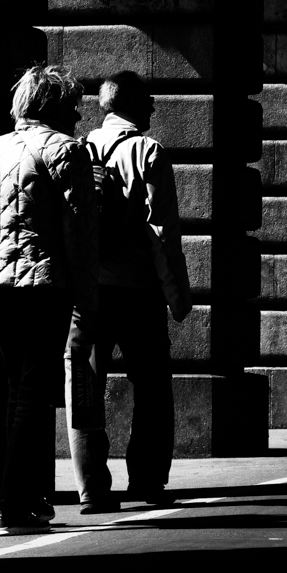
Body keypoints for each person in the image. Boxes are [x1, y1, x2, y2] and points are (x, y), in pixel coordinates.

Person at [0, 64, 99, 536]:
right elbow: (79, 234)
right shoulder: (68, 151)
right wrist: (87, 295)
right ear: (56, 106)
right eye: (74, 106)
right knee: (35, 396)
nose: (78, 115)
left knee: (20, 389)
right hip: (43, 284)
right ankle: (13, 505)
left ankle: (32, 500)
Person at [68, 70, 191, 513]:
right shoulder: (148, 151)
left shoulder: (78, 150)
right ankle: (147, 480)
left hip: (89, 295)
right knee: (153, 388)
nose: (155, 107)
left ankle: (92, 489)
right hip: (138, 292)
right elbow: (161, 229)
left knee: (85, 387)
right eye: (150, 99)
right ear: (133, 103)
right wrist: (177, 294)